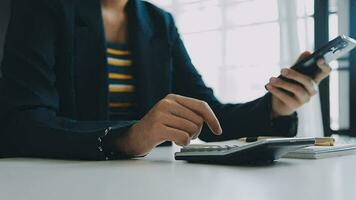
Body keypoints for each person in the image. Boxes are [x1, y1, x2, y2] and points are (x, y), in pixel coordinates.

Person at [0, 0, 331, 160]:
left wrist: (275, 107)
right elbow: (25, 122)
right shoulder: (43, 7)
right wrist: (128, 137)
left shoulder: (159, 22)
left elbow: (210, 117)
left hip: (149, 184)